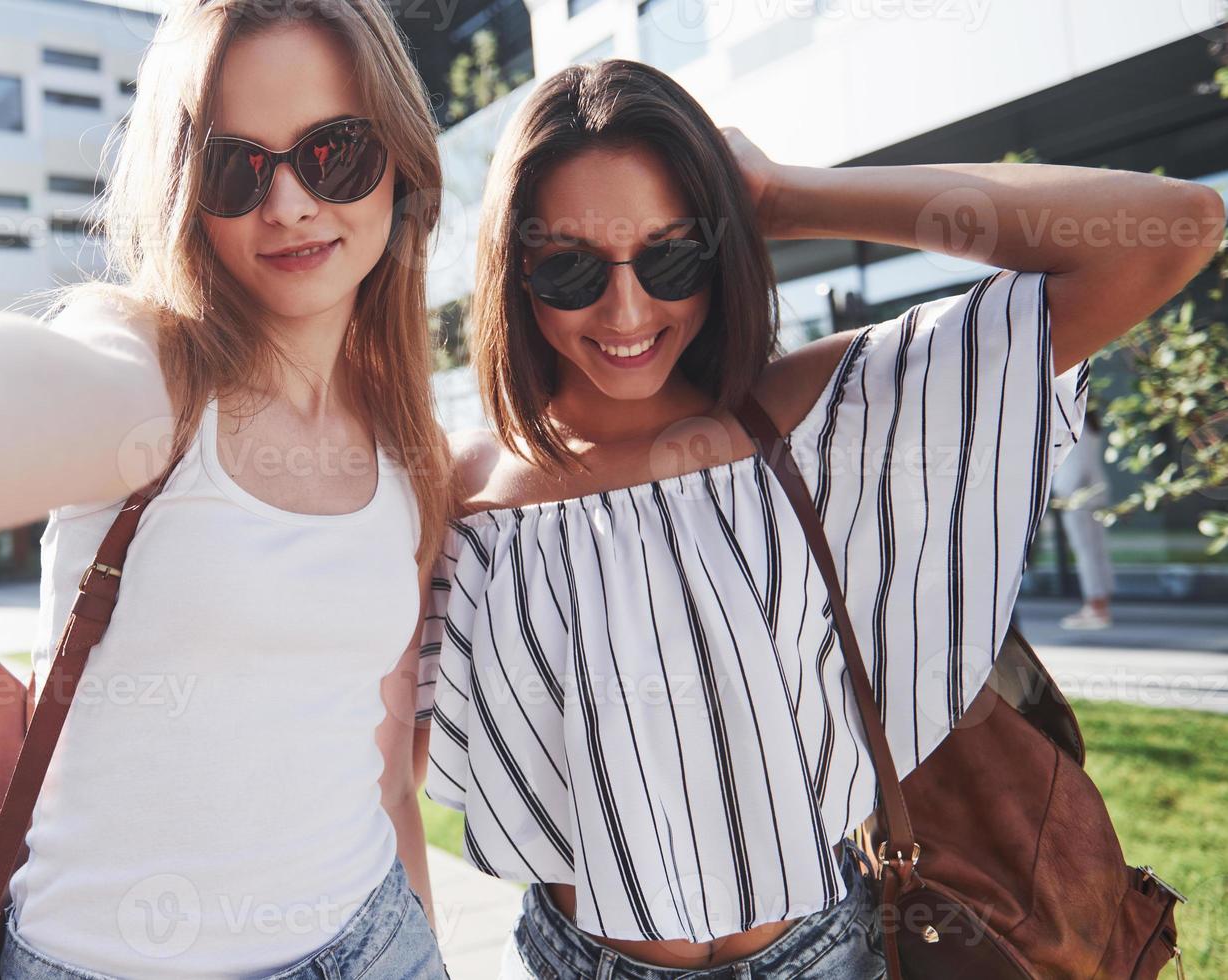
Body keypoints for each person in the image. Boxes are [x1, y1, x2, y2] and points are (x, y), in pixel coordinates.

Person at [417, 59, 1224, 979]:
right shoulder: (456, 493)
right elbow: (373, 773)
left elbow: (1170, 233)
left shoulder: (815, 416)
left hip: (822, 953)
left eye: (672, 254)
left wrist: (784, 196)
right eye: (568, 266)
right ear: (514, 267)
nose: (626, 308)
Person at [0, 1, 453, 977]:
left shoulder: (401, 444)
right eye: (235, 167)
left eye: (333, 152)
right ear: (185, 190)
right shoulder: (150, 371)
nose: (290, 203)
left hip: (376, 937)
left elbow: (383, 774)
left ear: (400, 159)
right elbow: (13, 393)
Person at [1051, 402, 1117, 628]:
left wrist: (1062, 495)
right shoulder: (1090, 426)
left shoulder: (1075, 428)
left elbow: (1075, 467)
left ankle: (1096, 607)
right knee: (1095, 549)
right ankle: (1099, 603)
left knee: (1086, 551)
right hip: (1093, 492)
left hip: (1079, 497)